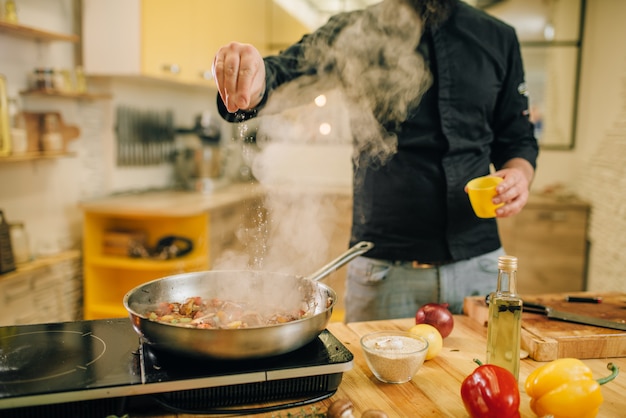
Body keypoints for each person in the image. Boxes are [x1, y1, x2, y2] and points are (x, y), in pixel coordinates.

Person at [212, 0, 538, 321]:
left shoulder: (498, 37)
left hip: (479, 268)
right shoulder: (356, 31)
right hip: (384, 274)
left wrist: (518, 173)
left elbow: (518, 138)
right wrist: (251, 80)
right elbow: (282, 73)